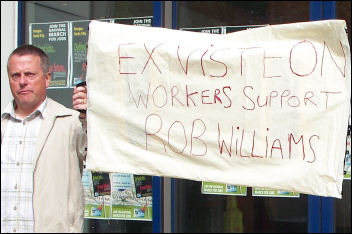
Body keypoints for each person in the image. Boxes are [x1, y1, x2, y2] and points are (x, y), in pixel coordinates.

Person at [1, 44, 88, 233]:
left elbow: (100, 155)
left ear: (47, 78)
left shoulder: (71, 122)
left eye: (30, 74)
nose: (22, 81)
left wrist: (88, 117)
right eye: (16, 75)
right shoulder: (3, 125)